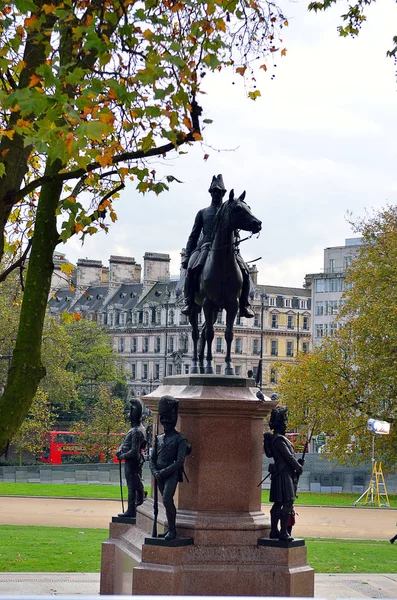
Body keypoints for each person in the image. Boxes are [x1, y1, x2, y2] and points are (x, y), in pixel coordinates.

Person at [181, 174, 254, 319]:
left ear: (223, 194)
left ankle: (244, 304)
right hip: (205, 246)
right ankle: (189, 301)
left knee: (245, 271)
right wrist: (188, 255)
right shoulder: (203, 213)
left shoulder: (229, 210)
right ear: (210, 193)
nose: (216, 194)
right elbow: (193, 235)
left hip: (228, 248)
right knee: (191, 268)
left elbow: (235, 228)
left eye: (219, 192)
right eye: (214, 191)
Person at [149, 395, 189, 541]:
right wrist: (155, 472)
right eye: (163, 422)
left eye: (168, 422)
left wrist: (163, 472)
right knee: (166, 502)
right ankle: (169, 529)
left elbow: (179, 462)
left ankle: (172, 530)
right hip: (159, 475)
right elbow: (152, 459)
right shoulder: (158, 438)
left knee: (166, 500)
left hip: (171, 474)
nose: (165, 424)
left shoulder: (180, 439)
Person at [264, 406, 303, 541]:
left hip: (281, 474)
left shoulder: (277, 438)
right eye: (285, 421)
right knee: (287, 502)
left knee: (278, 503)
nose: (286, 424)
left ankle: (275, 530)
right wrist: (298, 467)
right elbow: (288, 457)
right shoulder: (279, 440)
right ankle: (282, 532)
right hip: (283, 475)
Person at [116, 399, 146, 518]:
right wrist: (120, 449)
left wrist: (122, 456)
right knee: (135, 484)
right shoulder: (134, 429)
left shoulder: (136, 431)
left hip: (132, 462)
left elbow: (134, 451)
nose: (128, 415)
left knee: (131, 486)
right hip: (131, 462)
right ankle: (140, 499)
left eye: (131, 412)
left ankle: (131, 510)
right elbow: (125, 443)